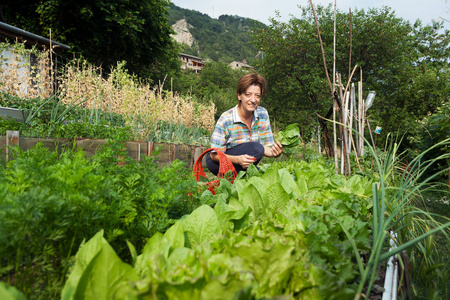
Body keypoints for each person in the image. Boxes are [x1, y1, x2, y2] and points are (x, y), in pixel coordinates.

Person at [206, 72, 283, 175]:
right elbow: (214, 156)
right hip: (218, 162)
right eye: (248, 95)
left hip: (245, 162)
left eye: (257, 96)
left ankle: (239, 177)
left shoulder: (262, 114)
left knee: (262, 177)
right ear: (239, 95)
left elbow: (266, 147)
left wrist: (275, 153)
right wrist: (238, 160)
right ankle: (234, 176)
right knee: (256, 148)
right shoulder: (226, 119)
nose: (253, 100)